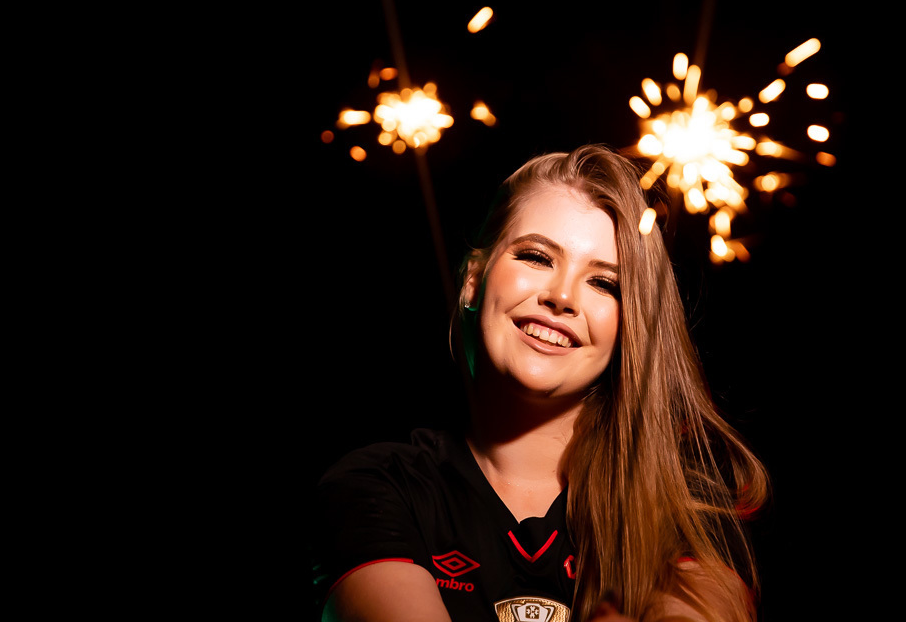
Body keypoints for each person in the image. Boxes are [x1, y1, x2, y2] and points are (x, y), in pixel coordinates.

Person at [312, 144, 769, 621]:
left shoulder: (688, 511)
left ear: (631, 325)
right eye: (536, 257)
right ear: (473, 279)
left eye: (604, 283)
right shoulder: (376, 485)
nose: (562, 296)